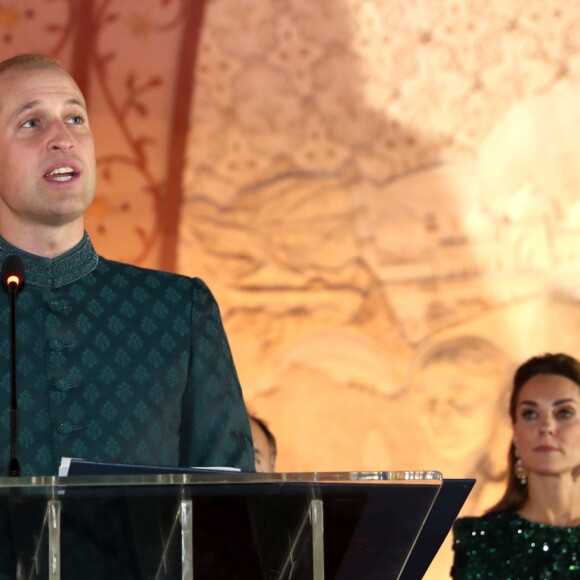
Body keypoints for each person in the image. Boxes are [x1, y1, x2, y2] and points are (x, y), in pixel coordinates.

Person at [0, 53, 254, 476]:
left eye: (75, 119)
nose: (62, 138)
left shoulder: (178, 309)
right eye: (31, 123)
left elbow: (232, 505)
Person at [451, 353, 580, 578]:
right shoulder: (481, 539)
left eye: (564, 413)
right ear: (515, 432)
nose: (547, 426)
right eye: (530, 414)